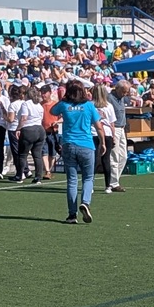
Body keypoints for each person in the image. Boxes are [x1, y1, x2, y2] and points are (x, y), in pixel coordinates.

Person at [51, 79, 107, 225]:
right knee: (88, 178)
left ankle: (72, 214)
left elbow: (52, 111)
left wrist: (63, 98)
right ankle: (85, 203)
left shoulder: (64, 105)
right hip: (86, 144)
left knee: (72, 181)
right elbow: (99, 126)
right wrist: (103, 142)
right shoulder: (88, 105)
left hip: (69, 144)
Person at [14, 87, 47, 184]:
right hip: (40, 129)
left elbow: (24, 117)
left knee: (22, 154)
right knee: (37, 155)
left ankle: (19, 176)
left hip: (29, 129)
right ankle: (38, 177)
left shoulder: (26, 104)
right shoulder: (39, 105)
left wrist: (18, 128)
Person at [92, 84, 118, 193]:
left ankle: (90, 185)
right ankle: (108, 186)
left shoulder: (90, 105)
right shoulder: (109, 106)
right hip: (106, 133)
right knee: (106, 159)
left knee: (93, 160)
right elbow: (112, 124)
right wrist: (114, 136)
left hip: (93, 133)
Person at [107, 80, 130, 191]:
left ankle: (114, 180)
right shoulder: (109, 98)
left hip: (121, 128)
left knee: (124, 156)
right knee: (114, 156)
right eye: (123, 92)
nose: (125, 94)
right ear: (117, 89)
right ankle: (114, 183)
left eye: (126, 92)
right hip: (114, 128)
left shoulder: (121, 99)